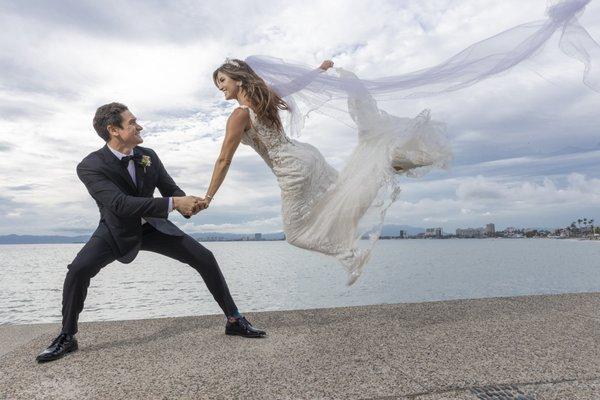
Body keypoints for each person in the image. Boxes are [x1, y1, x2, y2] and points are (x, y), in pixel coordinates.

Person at [36, 102, 265, 364]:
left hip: (155, 226)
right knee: (78, 270)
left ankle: (234, 319)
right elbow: (120, 204)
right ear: (114, 129)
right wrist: (173, 204)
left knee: (204, 257)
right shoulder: (90, 166)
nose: (139, 125)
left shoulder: (148, 155)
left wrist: (187, 204)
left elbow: (170, 188)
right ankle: (67, 336)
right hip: (116, 230)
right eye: (132, 122)